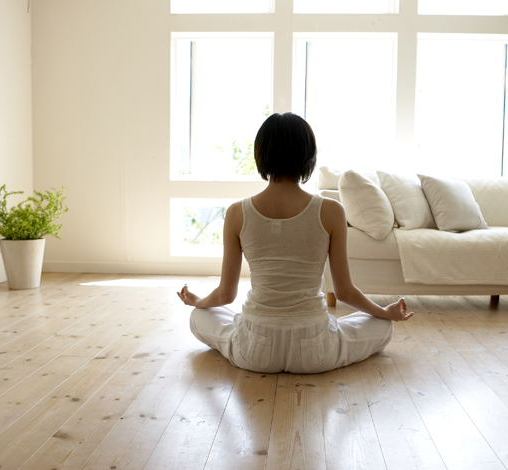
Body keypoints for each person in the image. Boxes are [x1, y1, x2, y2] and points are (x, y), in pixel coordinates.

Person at [177, 113, 413, 373]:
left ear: (261, 154)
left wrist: (197, 301)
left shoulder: (236, 213)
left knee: (199, 316)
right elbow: (344, 291)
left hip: (254, 349)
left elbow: (226, 295)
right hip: (314, 350)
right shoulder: (331, 211)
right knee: (382, 325)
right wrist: (384, 312)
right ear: (308, 155)